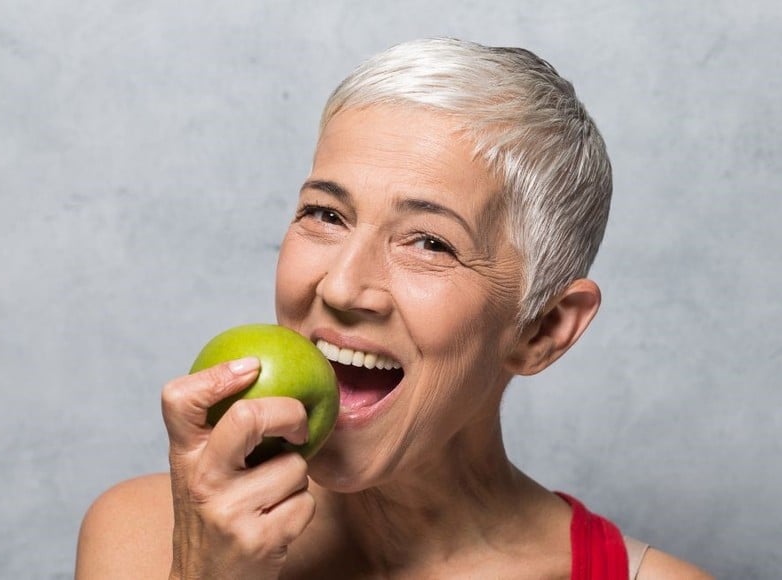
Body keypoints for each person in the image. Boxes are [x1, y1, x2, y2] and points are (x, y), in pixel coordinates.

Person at [76, 38, 711, 579]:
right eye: (326, 214)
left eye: (430, 243)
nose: (341, 287)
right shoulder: (144, 537)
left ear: (542, 328)